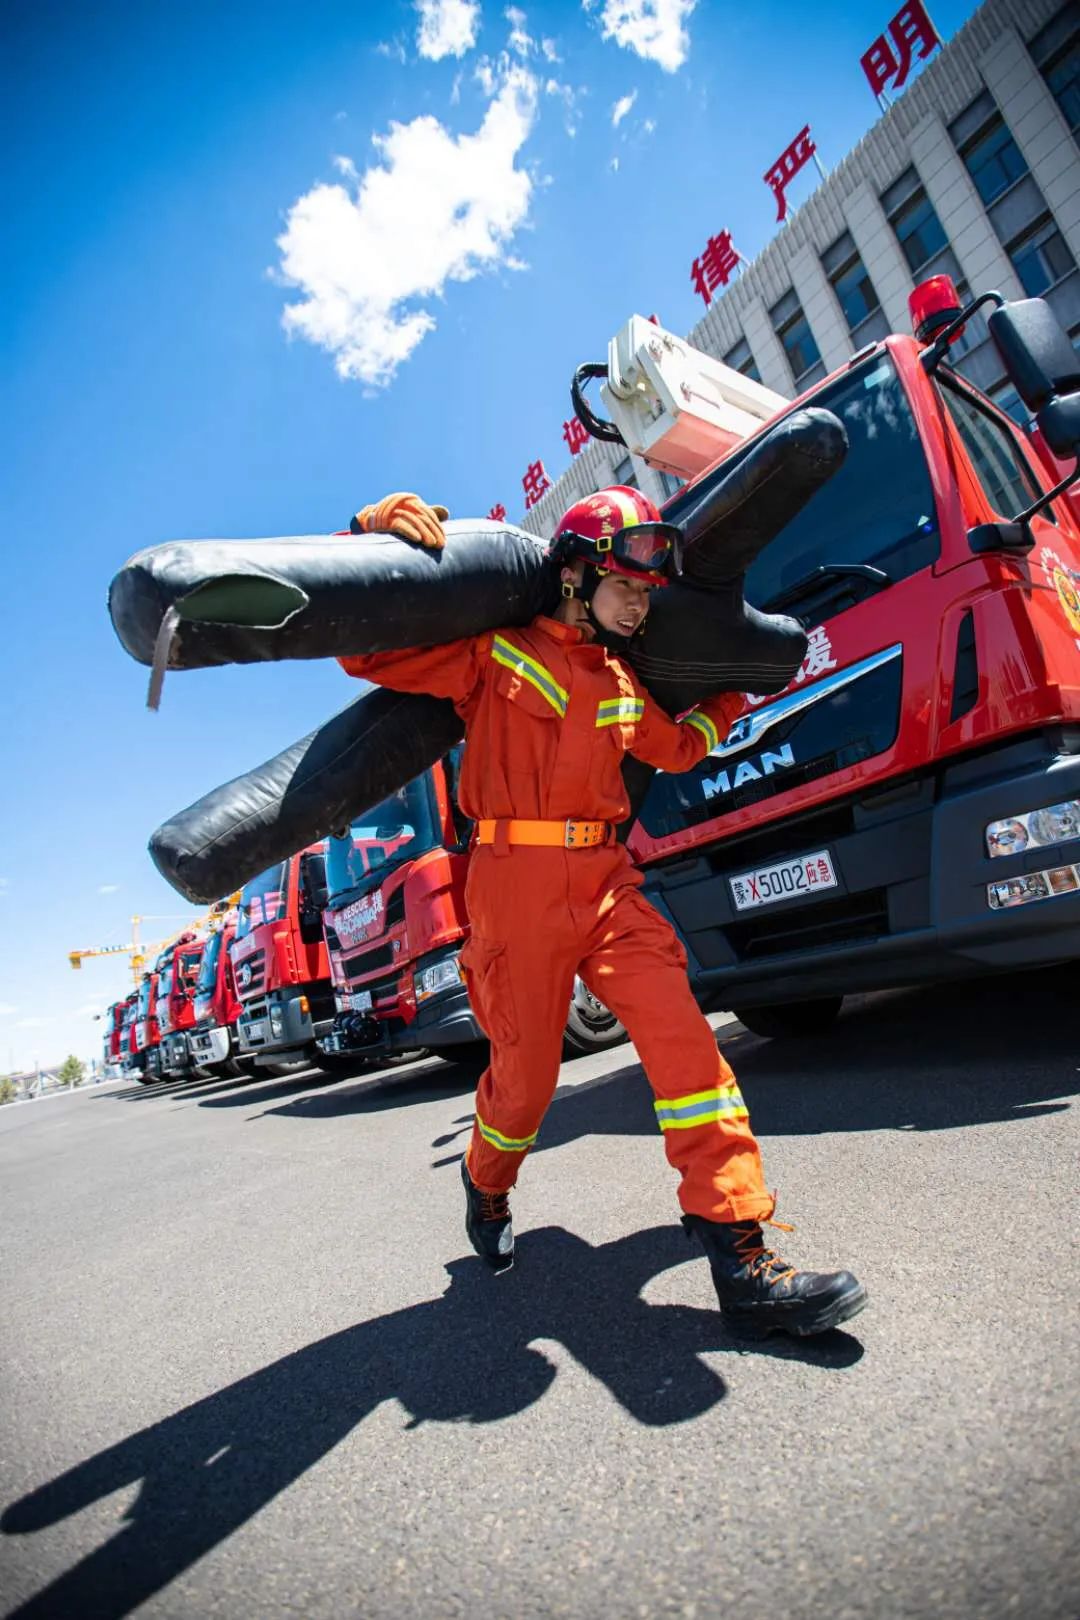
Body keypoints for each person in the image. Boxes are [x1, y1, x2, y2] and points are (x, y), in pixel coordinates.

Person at [341, 487, 866, 1339]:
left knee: (686, 1044)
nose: (639, 601)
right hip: (513, 886)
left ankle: (741, 1251)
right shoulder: (493, 654)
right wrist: (369, 536)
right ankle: (486, 1180)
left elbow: (680, 746)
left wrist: (735, 691)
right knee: (526, 1085)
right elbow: (368, 653)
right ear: (577, 574)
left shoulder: (622, 683)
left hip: (608, 879)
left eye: (648, 590)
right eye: (626, 583)